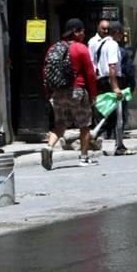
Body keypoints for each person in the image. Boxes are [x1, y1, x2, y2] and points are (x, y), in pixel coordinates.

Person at [40, 19, 98, 169]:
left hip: (58, 92)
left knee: (60, 124)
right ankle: (84, 157)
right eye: (82, 31)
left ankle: (49, 147)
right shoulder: (81, 48)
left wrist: (48, 92)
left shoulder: (54, 48)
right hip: (77, 90)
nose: (84, 34)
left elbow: (46, 71)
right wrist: (93, 94)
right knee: (84, 124)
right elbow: (90, 74)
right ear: (76, 32)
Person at [94, 22, 133, 156]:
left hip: (103, 80)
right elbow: (112, 66)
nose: (121, 37)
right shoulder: (112, 45)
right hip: (113, 81)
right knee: (118, 115)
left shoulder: (101, 44)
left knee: (108, 113)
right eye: (121, 33)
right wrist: (115, 87)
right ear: (116, 32)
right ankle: (118, 145)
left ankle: (95, 137)